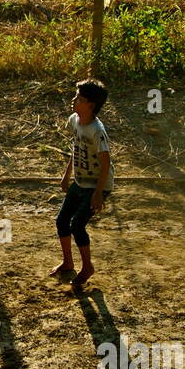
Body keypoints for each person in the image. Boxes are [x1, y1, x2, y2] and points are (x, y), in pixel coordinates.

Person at [51, 78, 113, 289]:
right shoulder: (74, 120)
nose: (73, 100)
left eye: (79, 98)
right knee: (61, 221)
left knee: (77, 225)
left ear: (91, 105)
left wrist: (98, 194)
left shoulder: (97, 130)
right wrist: (66, 175)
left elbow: (106, 164)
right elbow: (76, 149)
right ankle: (68, 262)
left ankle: (87, 267)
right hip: (80, 181)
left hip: (97, 185)